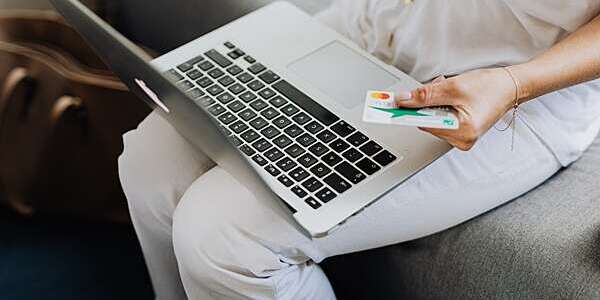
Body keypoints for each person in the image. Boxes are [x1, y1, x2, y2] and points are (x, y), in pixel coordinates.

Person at [118, 1, 600, 299]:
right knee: (149, 163)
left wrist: (517, 83)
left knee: (221, 237)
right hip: (373, 22)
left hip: (502, 85)